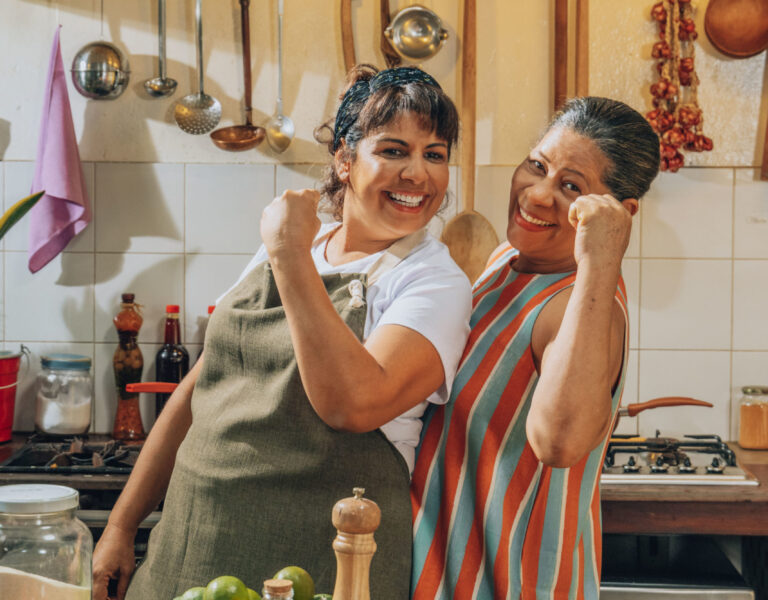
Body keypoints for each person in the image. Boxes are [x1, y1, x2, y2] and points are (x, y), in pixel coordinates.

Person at [92, 65, 472, 600]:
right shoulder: (294, 245)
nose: (418, 173)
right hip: (189, 545)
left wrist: (289, 254)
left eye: (434, 154)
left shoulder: (431, 280)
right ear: (345, 159)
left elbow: (353, 405)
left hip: (322, 565)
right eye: (393, 151)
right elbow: (198, 388)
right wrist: (121, 526)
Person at [410, 96, 661, 599]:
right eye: (537, 166)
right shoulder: (507, 259)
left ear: (618, 214)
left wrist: (600, 259)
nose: (538, 194)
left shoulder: (583, 302)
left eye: (571, 187)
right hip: (436, 577)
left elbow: (561, 443)